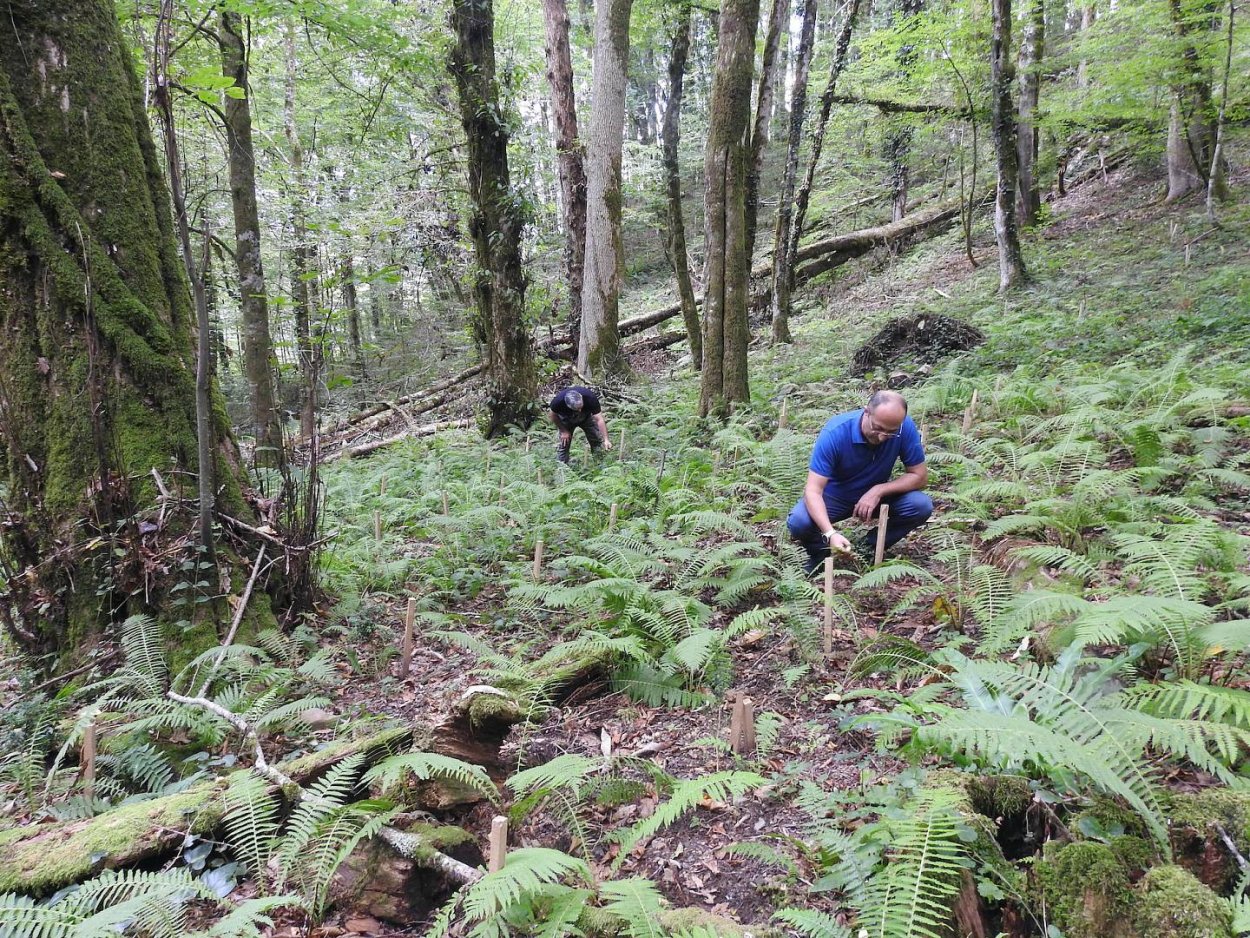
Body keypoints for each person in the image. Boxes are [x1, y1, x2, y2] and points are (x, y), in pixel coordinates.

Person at [788, 390, 932, 574]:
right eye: (878, 428)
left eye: (890, 432)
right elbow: (813, 491)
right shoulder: (835, 432)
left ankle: (867, 548)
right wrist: (830, 533)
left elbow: (919, 476)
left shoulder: (904, 428)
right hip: (835, 496)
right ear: (866, 412)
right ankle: (820, 555)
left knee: (920, 505)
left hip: (877, 497)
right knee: (799, 521)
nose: (882, 436)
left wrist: (879, 490)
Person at [548, 386, 612, 465]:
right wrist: (563, 431)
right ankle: (562, 469)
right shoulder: (558, 401)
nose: (579, 410)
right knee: (564, 444)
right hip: (566, 419)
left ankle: (600, 464)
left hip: (586, 417)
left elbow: (599, 419)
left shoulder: (590, 397)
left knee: (596, 439)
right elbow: (552, 415)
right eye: (577, 409)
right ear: (567, 405)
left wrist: (606, 439)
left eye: (580, 407)